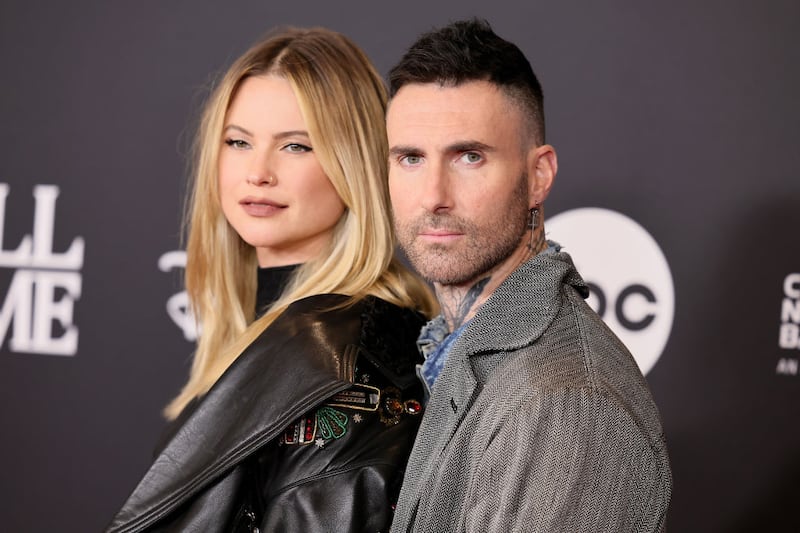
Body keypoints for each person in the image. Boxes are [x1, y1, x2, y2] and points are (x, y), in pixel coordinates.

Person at [106, 27, 436, 533]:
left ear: (354, 163)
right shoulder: (281, 330)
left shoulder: (345, 361)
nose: (257, 171)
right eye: (238, 141)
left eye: (297, 147)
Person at [385, 19, 672, 532]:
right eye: (410, 158)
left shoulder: (571, 404)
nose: (432, 195)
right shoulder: (447, 353)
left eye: (469, 157)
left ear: (538, 175)